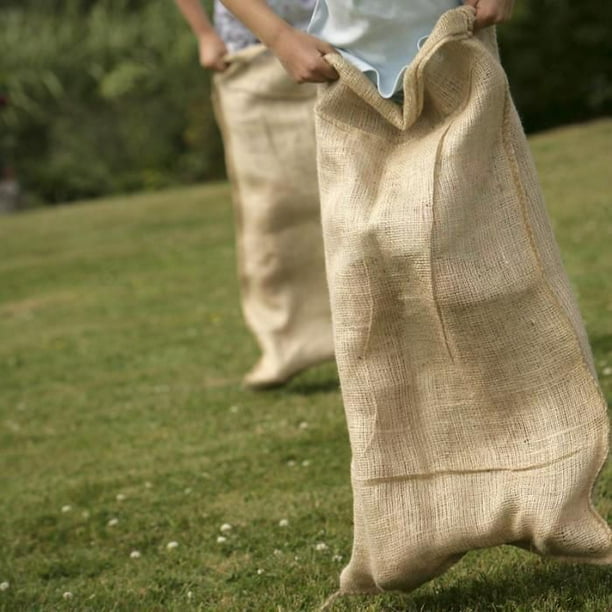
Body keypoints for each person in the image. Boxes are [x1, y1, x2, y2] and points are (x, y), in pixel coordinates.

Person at [219, 0, 612, 601]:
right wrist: (276, 35)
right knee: (372, 296)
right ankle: (406, 521)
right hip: (341, 67)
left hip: (458, 44)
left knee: (489, 276)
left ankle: (547, 488)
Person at [174, 0, 334, 389]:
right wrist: (205, 34)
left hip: (341, 38)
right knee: (272, 211)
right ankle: (287, 343)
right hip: (249, 48)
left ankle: (378, 330)